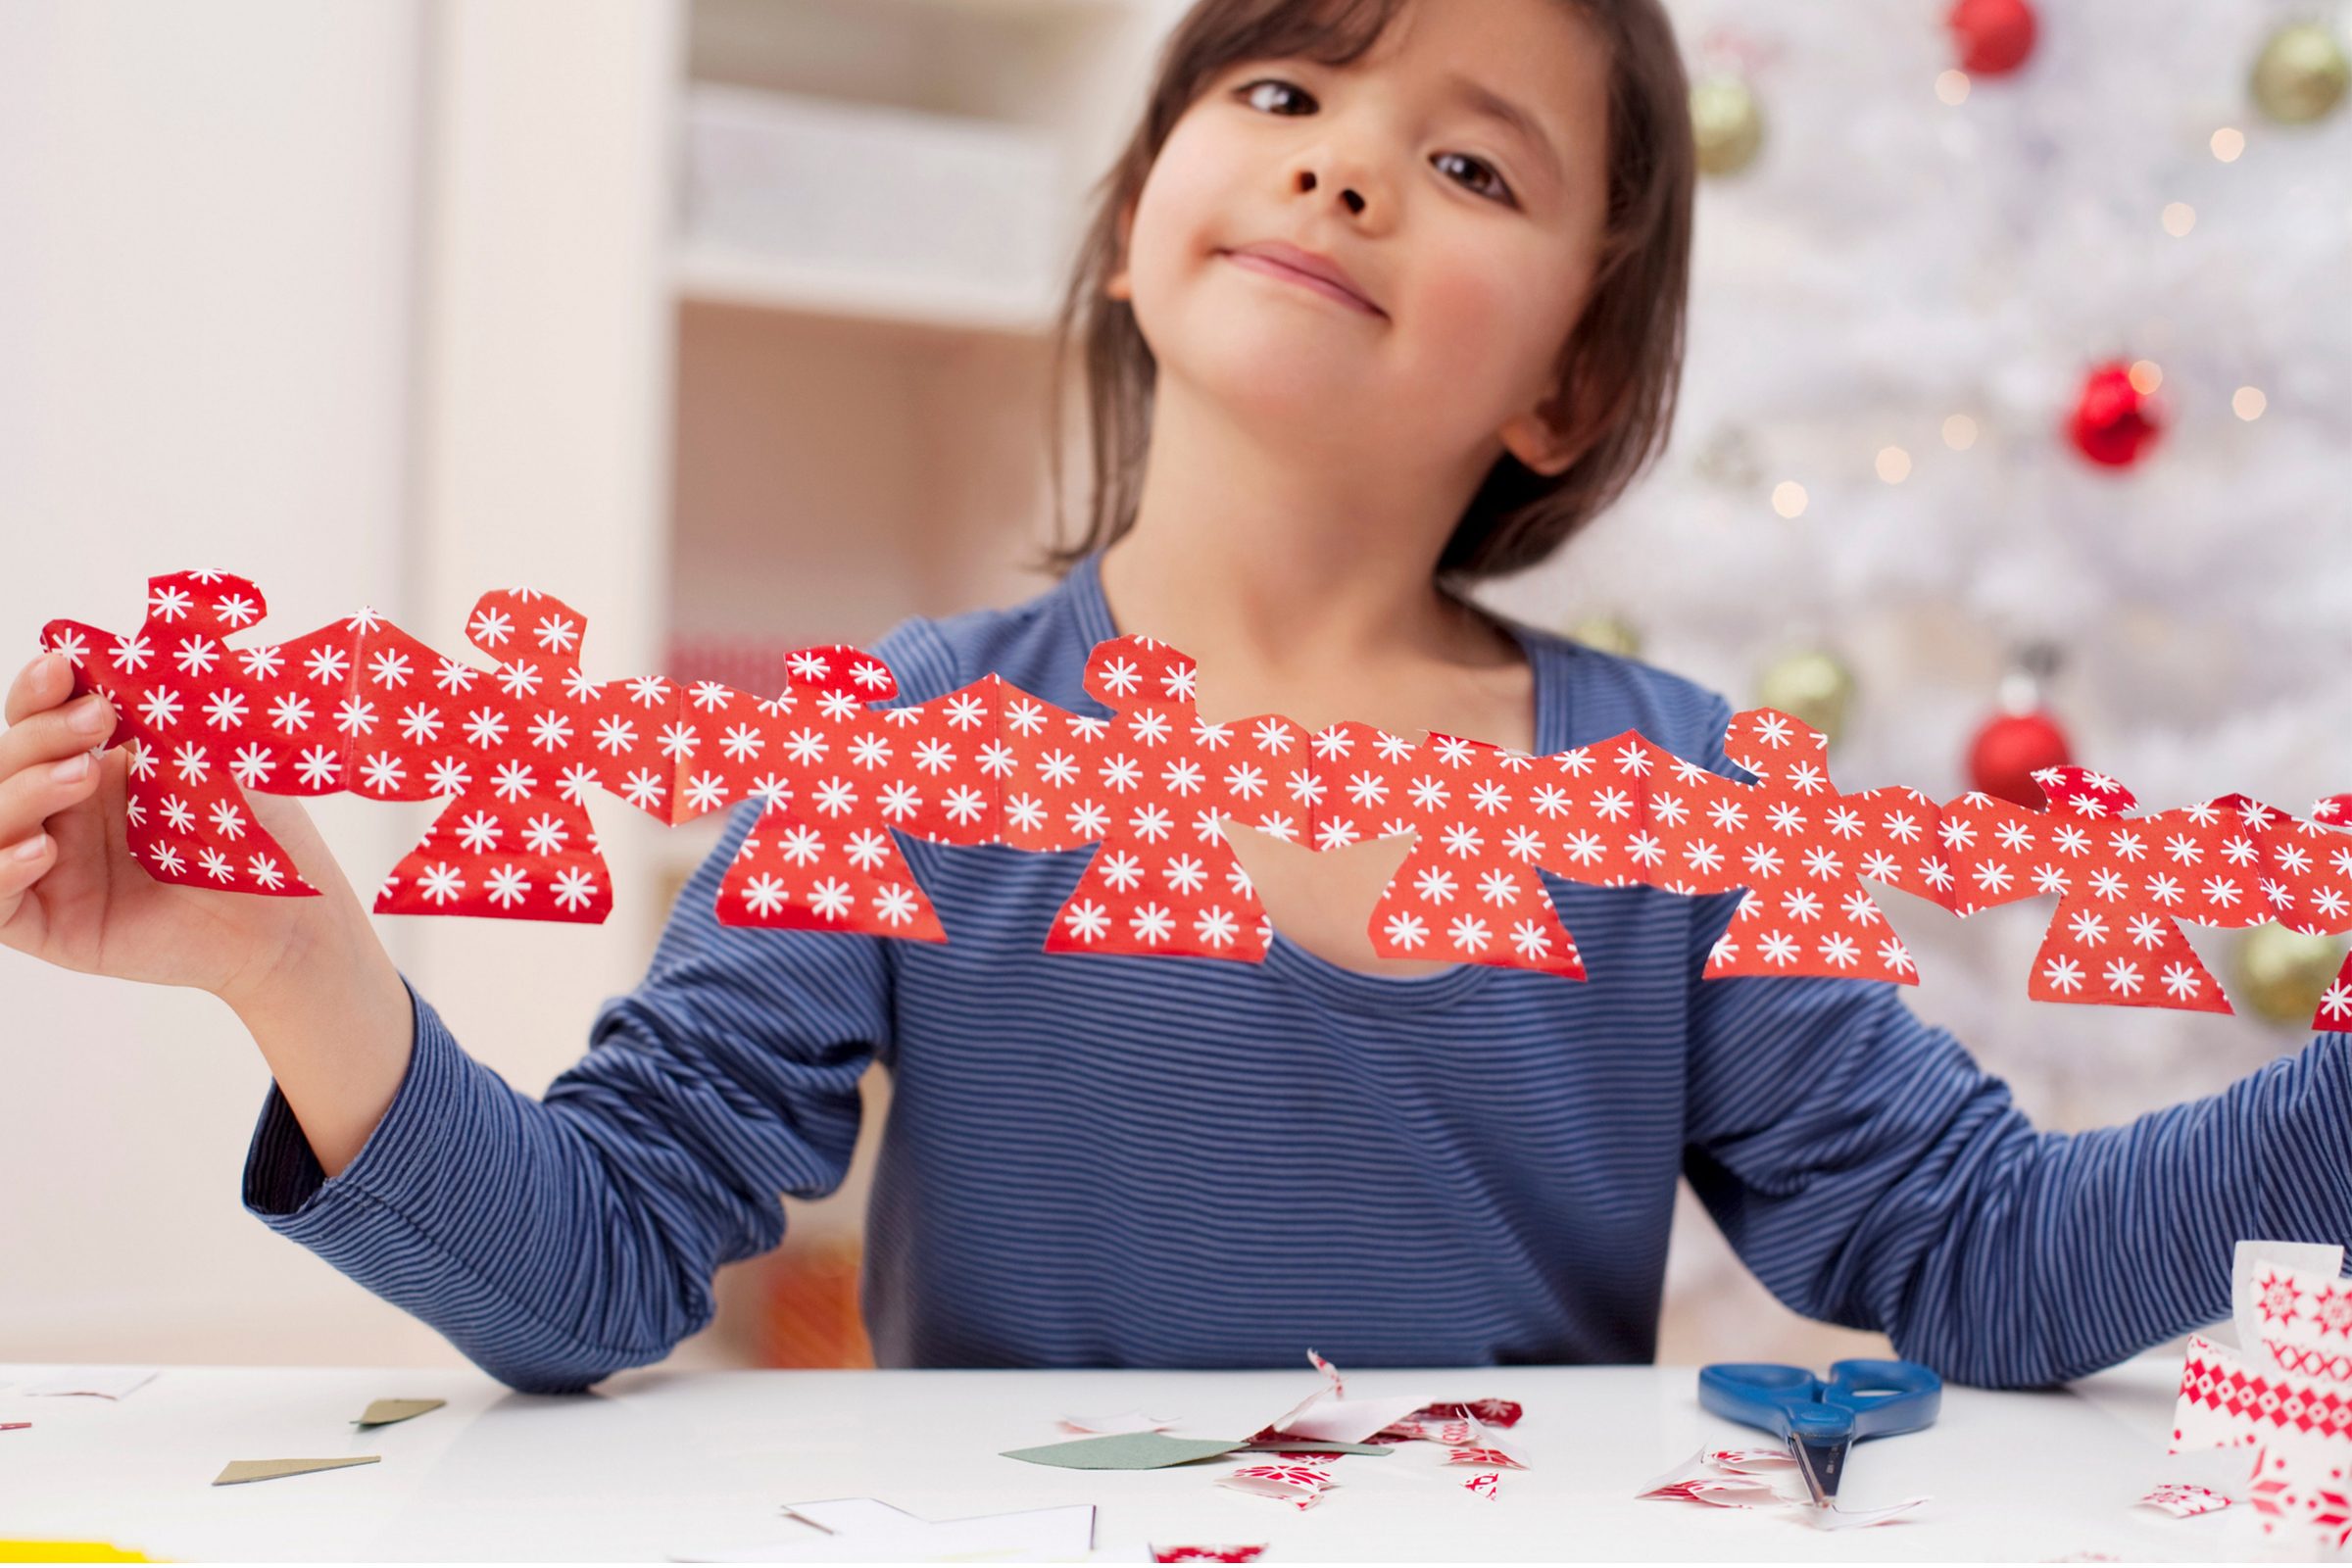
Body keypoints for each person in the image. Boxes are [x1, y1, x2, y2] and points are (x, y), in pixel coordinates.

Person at [4, 0, 2346, 1396]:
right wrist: (298, 967)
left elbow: (1988, 1257)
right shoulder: (895, 745)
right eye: (1284, 88)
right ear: (1138, 211)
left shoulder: (1693, 797)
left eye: (1465, 159)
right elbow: (596, 1261)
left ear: (1574, 378)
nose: (1344, 166)